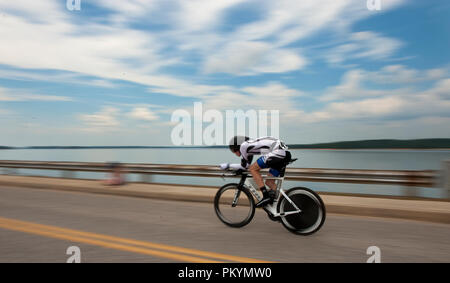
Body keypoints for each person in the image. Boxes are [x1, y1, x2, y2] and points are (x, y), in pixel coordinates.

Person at [220, 136, 292, 207]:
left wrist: (228, 165)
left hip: (278, 152)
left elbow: (245, 166)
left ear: (236, 147)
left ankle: (266, 196)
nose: (234, 153)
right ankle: (287, 203)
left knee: (253, 169)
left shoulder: (243, 146)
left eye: (233, 150)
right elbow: (246, 165)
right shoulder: (249, 146)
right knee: (269, 182)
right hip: (284, 153)